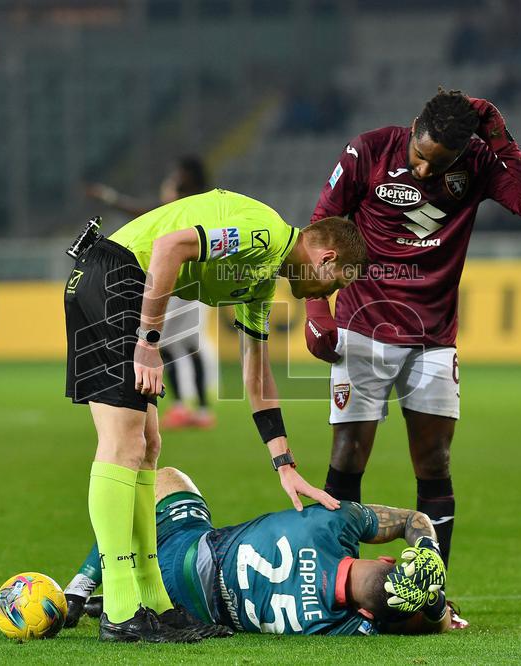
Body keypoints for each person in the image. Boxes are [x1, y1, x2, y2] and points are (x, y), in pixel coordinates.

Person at [64, 187, 367, 642]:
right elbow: (170, 247)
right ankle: (123, 612)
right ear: (325, 259)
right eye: (339, 281)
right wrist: (148, 342)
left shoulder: (261, 280)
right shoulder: (262, 236)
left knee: (147, 447)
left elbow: (257, 376)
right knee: (123, 445)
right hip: (115, 278)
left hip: (117, 283)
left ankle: (154, 604)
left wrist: (284, 464)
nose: (332, 291)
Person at [305, 88, 521, 629]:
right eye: (419, 156)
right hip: (362, 327)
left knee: (435, 462)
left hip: (434, 339)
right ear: (414, 125)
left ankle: (431, 593)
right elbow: (320, 227)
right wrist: (315, 307)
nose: (422, 170)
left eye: (437, 165)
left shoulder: (480, 164)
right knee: (348, 457)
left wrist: (500, 135)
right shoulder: (368, 152)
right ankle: (326, 583)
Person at [64, 467, 452, 636]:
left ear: (385, 558)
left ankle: (83, 584)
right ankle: (118, 597)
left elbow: (412, 518)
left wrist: (428, 549)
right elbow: (428, 621)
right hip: (194, 613)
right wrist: (434, 606)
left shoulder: (333, 522)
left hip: (186, 549)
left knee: (158, 479)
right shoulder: (337, 626)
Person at [86, 156, 216, 430]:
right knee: (179, 344)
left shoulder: (185, 205)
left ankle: (192, 407)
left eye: (180, 173)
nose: (176, 177)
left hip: (183, 283)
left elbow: (142, 211)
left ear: (191, 176)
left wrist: (110, 198)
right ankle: (192, 408)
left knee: (175, 344)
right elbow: (144, 211)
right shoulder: (197, 205)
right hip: (184, 283)